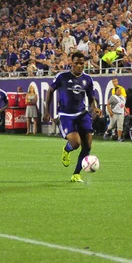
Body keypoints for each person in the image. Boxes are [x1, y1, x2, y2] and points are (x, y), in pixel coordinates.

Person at [44, 51, 99, 183]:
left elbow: (91, 98)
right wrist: (47, 111)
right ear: (71, 63)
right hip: (66, 115)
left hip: (82, 113)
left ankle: (76, 174)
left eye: (82, 63)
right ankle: (67, 149)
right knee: (75, 143)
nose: (80, 66)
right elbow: (50, 91)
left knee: (88, 145)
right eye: (77, 63)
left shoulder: (87, 79)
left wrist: (95, 108)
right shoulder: (62, 77)